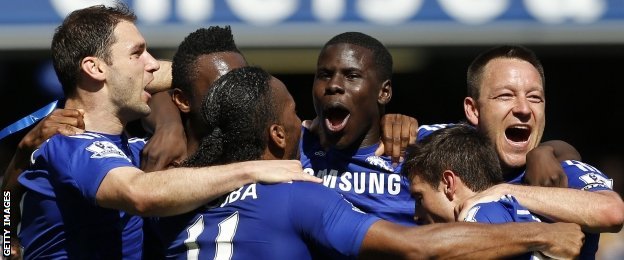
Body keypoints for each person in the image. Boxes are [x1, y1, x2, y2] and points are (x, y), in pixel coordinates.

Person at [149, 65, 584, 259]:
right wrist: (538, 235)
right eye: (292, 113)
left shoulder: (173, 192)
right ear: (279, 135)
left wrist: (167, 121)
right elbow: (419, 248)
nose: (308, 118)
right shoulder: (301, 197)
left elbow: (188, 75)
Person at [16, 4, 319, 259]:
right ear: (95, 69)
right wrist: (252, 171)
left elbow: (199, 76)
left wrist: (170, 122)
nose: (152, 66)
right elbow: (139, 194)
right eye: (138, 53)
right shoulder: (69, 142)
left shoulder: (133, 150)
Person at [417, 45, 624, 259]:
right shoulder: (441, 154)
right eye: (506, 96)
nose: (524, 109)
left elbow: (612, 212)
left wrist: (504, 191)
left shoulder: (559, 174)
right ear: (473, 110)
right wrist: (392, 123)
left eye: (535, 98)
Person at [300, 32, 416, 225]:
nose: (334, 85)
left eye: (352, 76)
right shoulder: (295, 148)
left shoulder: (420, 151)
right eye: (325, 75)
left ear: (384, 92)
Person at [403, 123, 545, 259]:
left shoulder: (480, 217)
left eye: (419, 198)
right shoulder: (504, 210)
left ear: (448, 183)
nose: (416, 216)